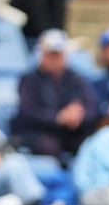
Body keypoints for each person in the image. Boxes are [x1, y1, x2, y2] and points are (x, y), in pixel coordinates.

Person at [13, 29, 100, 159]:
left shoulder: (77, 78)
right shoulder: (29, 79)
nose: (54, 59)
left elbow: (92, 106)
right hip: (39, 131)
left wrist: (79, 115)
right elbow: (28, 111)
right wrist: (57, 117)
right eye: (50, 54)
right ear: (42, 54)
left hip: (71, 131)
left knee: (90, 144)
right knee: (49, 146)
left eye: (58, 54)